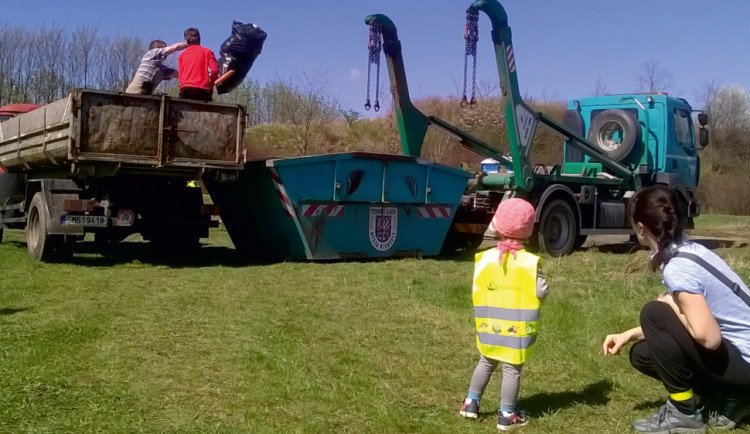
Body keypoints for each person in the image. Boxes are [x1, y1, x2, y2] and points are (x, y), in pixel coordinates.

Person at [602, 185, 750, 432]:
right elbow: (695, 320)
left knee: (654, 312)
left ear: (640, 228)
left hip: (745, 360)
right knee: (644, 353)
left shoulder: (678, 268)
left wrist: (670, 303)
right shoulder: (691, 250)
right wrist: (629, 334)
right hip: (740, 353)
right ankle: (732, 397)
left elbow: (709, 338)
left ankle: (684, 413)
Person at [459, 198, 549, 431]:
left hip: (489, 325)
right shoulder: (530, 263)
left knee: (485, 361)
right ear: (528, 229)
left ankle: (471, 403)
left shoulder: (485, 258)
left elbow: (477, 287)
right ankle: (507, 414)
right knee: (512, 368)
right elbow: (540, 292)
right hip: (516, 329)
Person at [178, 28, 219, 102]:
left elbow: (180, 76)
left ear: (186, 40)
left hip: (185, 89)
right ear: (199, 39)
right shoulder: (207, 52)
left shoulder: (182, 55)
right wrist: (212, 83)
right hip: (203, 89)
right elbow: (214, 70)